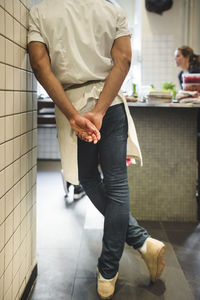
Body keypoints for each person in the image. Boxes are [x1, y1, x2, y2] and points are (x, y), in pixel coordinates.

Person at [28, 0, 166, 298]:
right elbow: (124, 61)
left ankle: (114, 265)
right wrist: (100, 111)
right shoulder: (112, 9)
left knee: (87, 179)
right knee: (115, 182)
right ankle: (124, 257)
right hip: (110, 104)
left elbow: (39, 65)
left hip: (71, 103)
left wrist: (74, 115)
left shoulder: (41, 11)